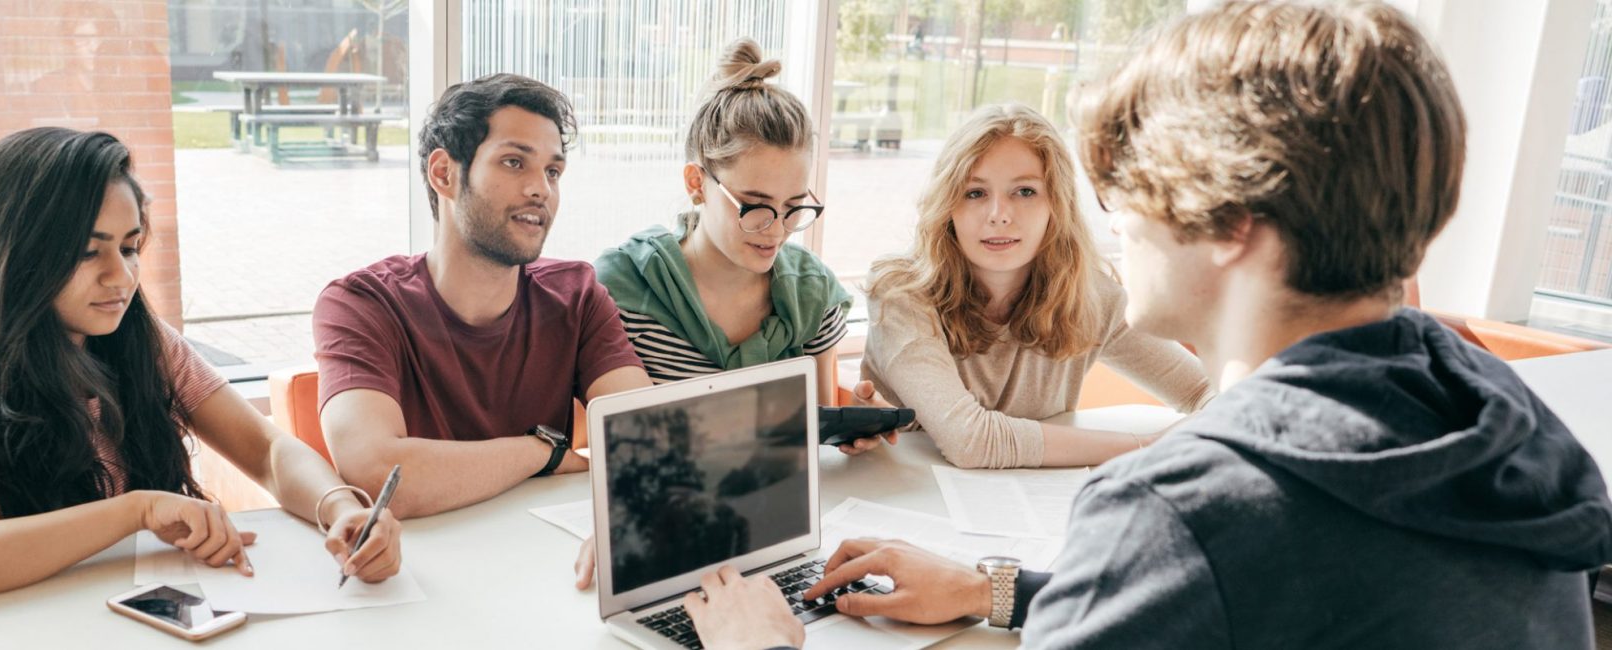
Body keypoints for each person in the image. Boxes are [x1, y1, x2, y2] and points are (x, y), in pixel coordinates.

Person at [687, 2, 1612, 648]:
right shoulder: (1502, 423)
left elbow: (1199, 563)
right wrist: (991, 588)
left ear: (1230, 224)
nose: (1114, 223)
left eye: (1130, 193)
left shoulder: (1179, 515)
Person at [0, 127, 403, 612]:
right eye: (87, 253)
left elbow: (266, 450)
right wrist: (134, 511)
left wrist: (339, 509)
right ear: (14, 254)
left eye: (130, 247)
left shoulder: (143, 345)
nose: (121, 276)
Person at [314, 74, 652, 518]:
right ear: (445, 174)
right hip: (418, 566)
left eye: (553, 171)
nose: (541, 189)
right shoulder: (361, 303)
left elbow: (646, 439)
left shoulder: (578, 295)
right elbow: (377, 473)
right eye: (514, 162)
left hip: (544, 557)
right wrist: (541, 452)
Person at [861, 102, 1211, 469]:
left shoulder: (1093, 298)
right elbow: (970, 441)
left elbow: (1207, 391)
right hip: (914, 502)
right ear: (948, 205)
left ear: (1055, 205)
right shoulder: (899, 292)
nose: (999, 214)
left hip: (1036, 510)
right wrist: (1147, 447)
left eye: (1024, 192)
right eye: (975, 193)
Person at [593, 38, 894, 456]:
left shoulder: (812, 292)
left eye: (793, 207)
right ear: (697, 183)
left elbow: (816, 433)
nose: (776, 230)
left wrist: (851, 420)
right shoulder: (624, 288)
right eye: (755, 206)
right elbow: (607, 447)